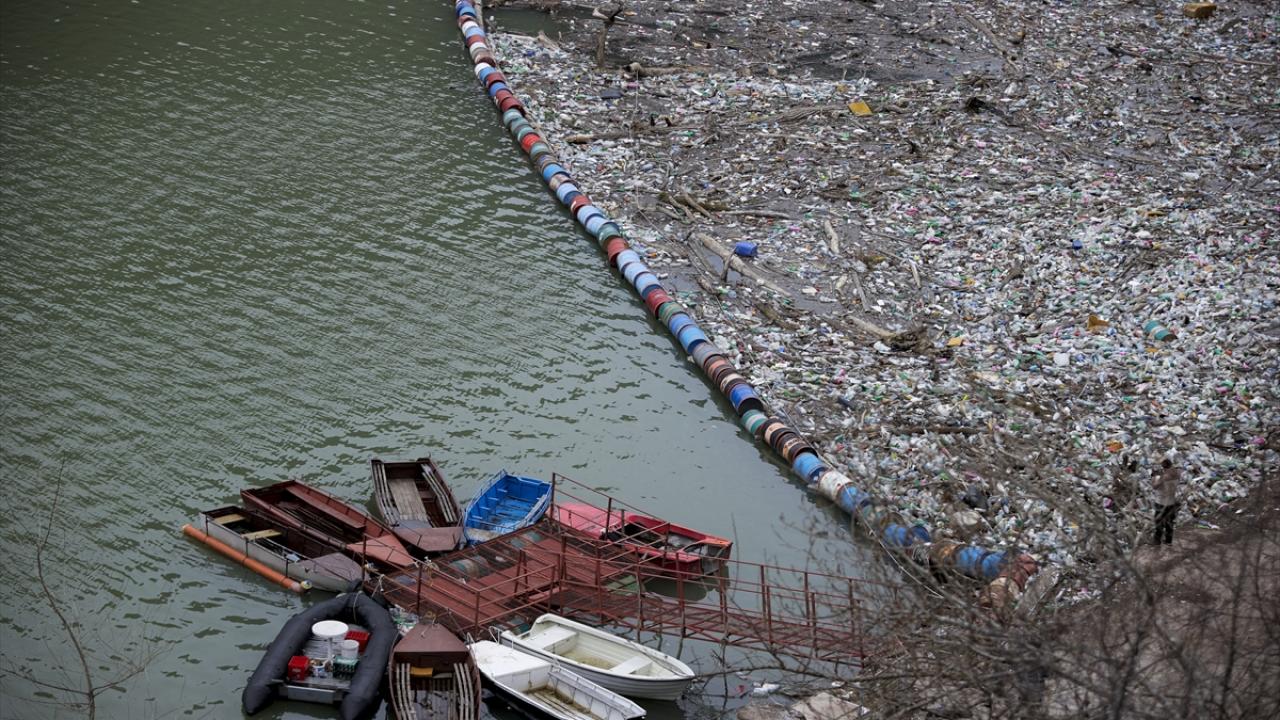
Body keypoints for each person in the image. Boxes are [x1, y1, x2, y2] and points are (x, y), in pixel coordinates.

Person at [1150, 458, 1181, 544]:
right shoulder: (1177, 474)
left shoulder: (1164, 477)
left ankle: (1157, 541)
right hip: (1171, 503)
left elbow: (1155, 486)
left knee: (1159, 523)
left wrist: (1153, 478)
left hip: (1161, 503)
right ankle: (1168, 541)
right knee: (1169, 523)